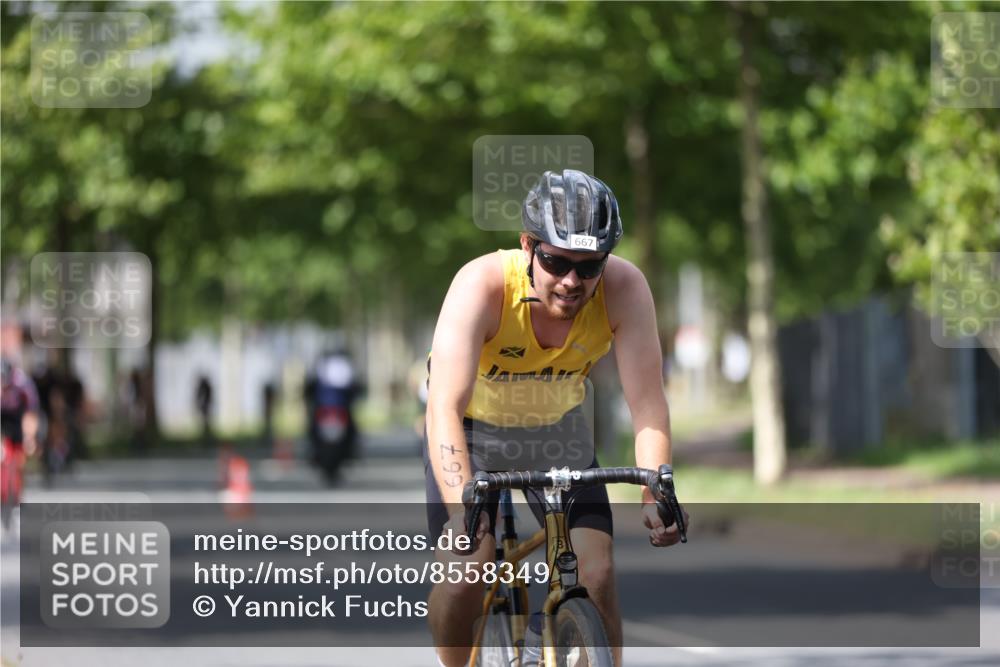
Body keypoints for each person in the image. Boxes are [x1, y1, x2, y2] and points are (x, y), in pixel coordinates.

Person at [424, 170, 688, 667]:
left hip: (557, 431)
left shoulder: (625, 288)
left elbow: (648, 402)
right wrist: (463, 512)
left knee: (598, 572)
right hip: (472, 431)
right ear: (528, 247)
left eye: (589, 267)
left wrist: (655, 491)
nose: (572, 280)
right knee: (465, 571)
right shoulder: (481, 286)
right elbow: (444, 407)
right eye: (556, 261)